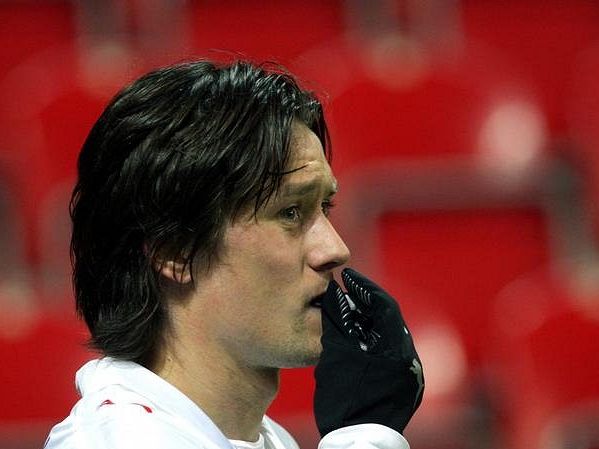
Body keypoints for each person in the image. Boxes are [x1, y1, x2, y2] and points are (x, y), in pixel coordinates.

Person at [44, 59, 424, 449]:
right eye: (290, 212)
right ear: (175, 251)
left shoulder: (269, 439)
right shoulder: (117, 440)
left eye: (324, 207)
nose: (335, 250)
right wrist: (366, 435)